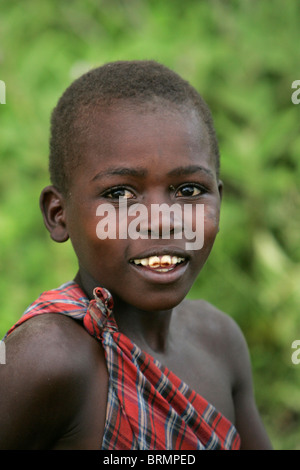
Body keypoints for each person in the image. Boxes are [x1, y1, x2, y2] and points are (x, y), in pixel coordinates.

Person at [0, 61, 272, 450]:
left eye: (190, 191)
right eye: (119, 194)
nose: (161, 222)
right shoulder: (47, 357)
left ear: (220, 201)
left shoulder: (220, 340)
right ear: (58, 215)